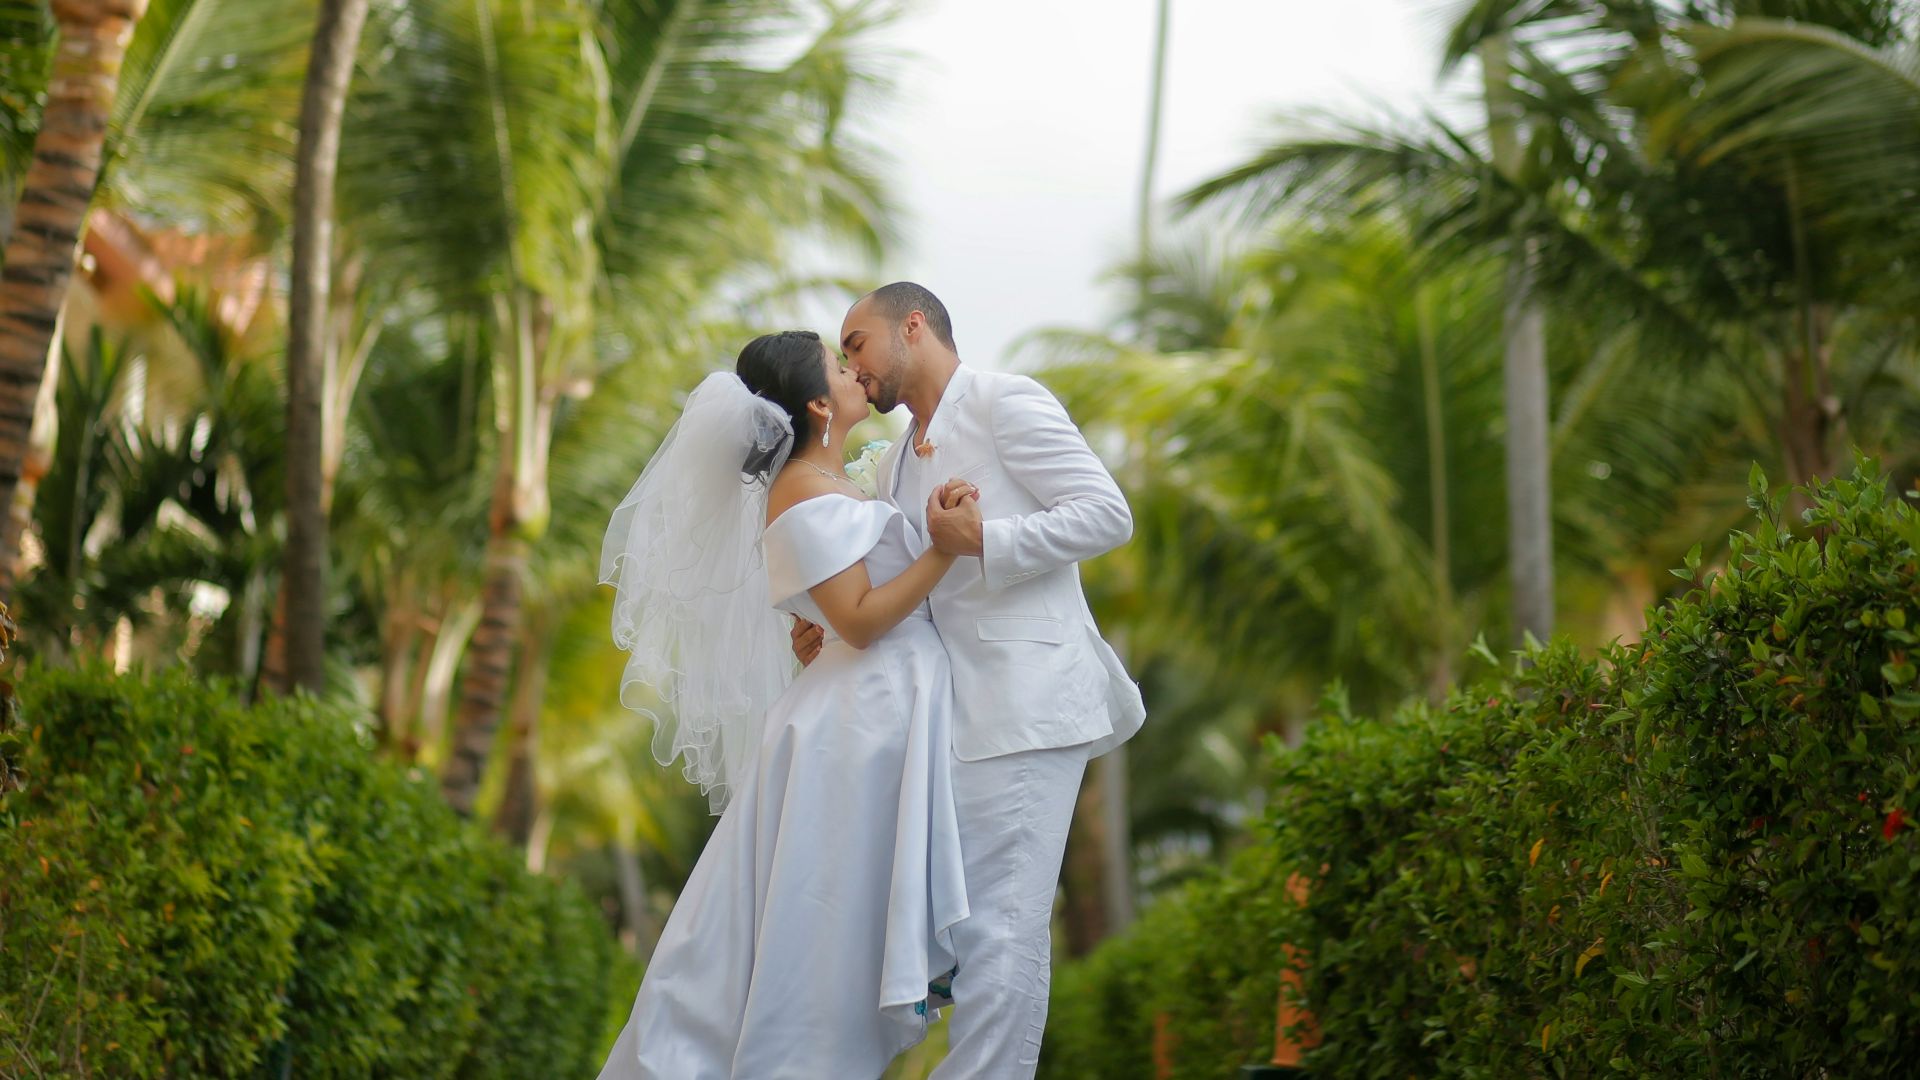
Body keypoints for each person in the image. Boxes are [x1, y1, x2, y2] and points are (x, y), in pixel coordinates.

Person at [596, 329, 975, 1079]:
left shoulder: (829, 483)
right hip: (853, 728)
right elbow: (862, 620)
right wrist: (943, 547)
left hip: (866, 712)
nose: (854, 371)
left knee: (824, 930)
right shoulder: (800, 488)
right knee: (819, 935)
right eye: (840, 366)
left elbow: (840, 612)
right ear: (815, 402)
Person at [795, 282, 1147, 1077]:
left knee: (1004, 930)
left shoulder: (1005, 402)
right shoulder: (889, 465)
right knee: (960, 936)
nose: (849, 364)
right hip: (948, 722)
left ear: (911, 327)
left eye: (855, 344)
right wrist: (830, 623)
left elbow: (1106, 512)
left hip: (1028, 704)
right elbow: (905, 586)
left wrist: (987, 538)